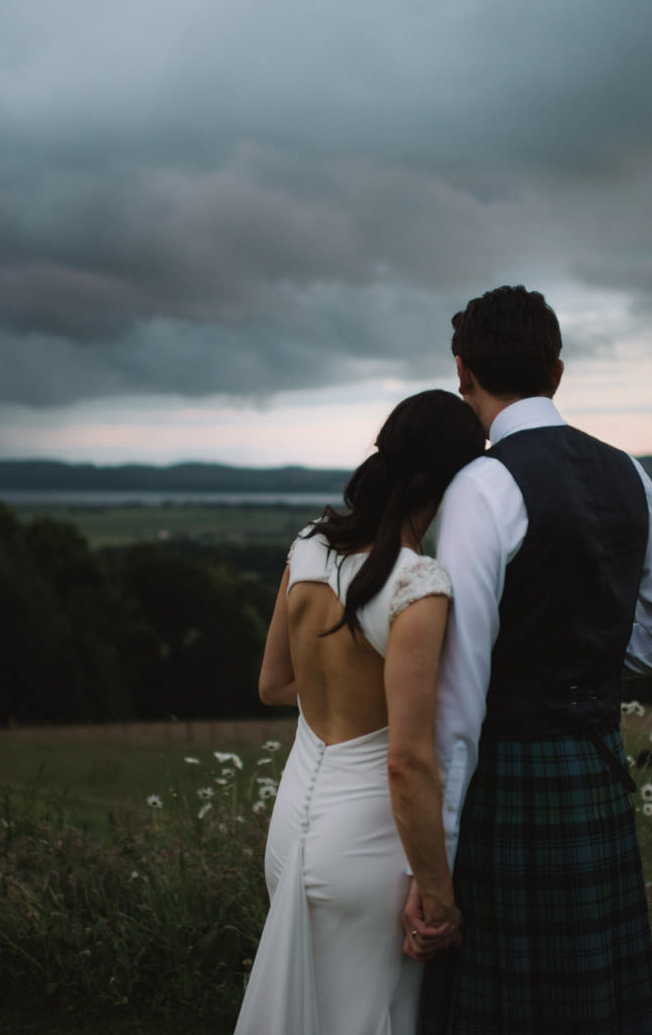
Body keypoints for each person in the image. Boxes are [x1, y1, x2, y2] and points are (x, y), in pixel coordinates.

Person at [413, 286, 652, 1033]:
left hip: (509, 781)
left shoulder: (480, 486)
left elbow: (460, 693)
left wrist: (434, 868)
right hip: (594, 767)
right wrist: (585, 653)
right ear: (558, 372)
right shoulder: (627, 472)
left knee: (506, 1008)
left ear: (462, 373)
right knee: (590, 1002)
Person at [234, 389, 486, 1035]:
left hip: (291, 828)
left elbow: (272, 683)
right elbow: (406, 763)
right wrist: (439, 895)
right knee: (372, 1017)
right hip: (367, 852)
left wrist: (334, 697)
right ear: (453, 481)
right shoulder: (416, 587)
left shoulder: (309, 548)